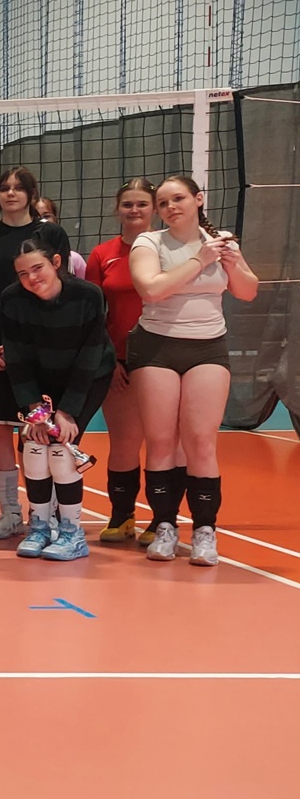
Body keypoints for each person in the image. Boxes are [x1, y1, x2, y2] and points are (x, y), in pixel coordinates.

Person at [129, 175, 259, 565]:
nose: (171, 207)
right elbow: (152, 289)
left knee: (201, 441)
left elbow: (248, 291)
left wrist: (231, 262)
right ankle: (164, 526)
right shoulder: (149, 242)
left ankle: (205, 531)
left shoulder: (222, 242)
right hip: (157, 347)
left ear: (198, 199)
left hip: (208, 347)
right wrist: (199, 260)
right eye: (163, 202)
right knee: (161, 441)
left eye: (178, 199)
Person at [0, 167, 71, 540]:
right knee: (0, 430)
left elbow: (61, 290)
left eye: (18, 188)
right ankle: (9, 512)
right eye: (4, 188)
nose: (10, 193)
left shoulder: (50, 235)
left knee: (39, 431)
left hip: (38, 352)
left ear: (31, 194)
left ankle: (45, 512)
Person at [0, 239, 115, 561]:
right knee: (34, 447)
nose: (31, 278)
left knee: (62, 449)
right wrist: (34, 410)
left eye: (37, 268)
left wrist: (67, 411)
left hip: (86, 378)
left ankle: (72, 533)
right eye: (23, 274)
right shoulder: (11, 299)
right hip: (40, 381)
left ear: (56, 262)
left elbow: (90, 354)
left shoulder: (88, 295)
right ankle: (40, 526)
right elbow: (16, 358)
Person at [84, 178, 155, 543]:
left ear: (154, 209)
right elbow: (94, 315)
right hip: (120, 361)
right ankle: (122, 516)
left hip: (162, 357)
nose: (134, 210)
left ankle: (162, 519)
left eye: (142, 203)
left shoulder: (169, 250)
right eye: (128, 204)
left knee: (163, 442)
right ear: (117, 209)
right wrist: (109, 362)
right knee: (124, 441)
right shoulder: (103, 254)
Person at [34, 196, 87, 278]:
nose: (42, 221)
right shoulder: (25, 259)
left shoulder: (75, 259)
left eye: (46, 216)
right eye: (36, 217)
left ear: (55, 218)